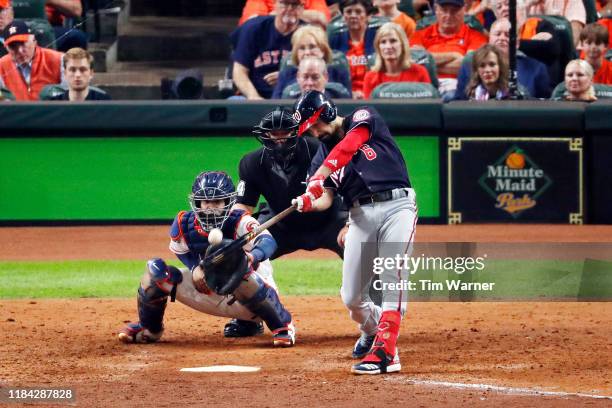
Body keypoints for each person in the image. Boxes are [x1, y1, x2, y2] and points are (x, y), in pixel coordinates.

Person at [292, 90, 418, 375]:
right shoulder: (320, 157)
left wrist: (318, 177)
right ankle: (375, 330)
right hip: (359, 215)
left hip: (397, 206)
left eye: (315, 123)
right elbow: (325, 197)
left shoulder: (364, 117)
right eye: (309, 129)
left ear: (327, 111)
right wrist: (308, 201)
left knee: (392, 274)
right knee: (351, 297)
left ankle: (386, 352)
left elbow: (349, 146)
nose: (314, 131)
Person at [118, 171, 296, 347]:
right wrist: (195, 267)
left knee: (237, 271)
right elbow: (181, 250)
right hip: (209, 291)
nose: (210, 207)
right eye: (206, 201)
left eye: (217, 201)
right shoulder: (185, 224)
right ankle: (149, 329)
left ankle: (282, 326)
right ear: (197, 203)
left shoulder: (240, 222)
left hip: (254, 300)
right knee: (155, 272)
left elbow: (268, 242)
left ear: (228, 202)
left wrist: (252, 256)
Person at [226, 106, 349, 337]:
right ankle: (249, 317)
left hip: (329, 220)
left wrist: (349, 222)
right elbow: (243, 208)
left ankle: (376, 316)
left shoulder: (319, 149)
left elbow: (343, 187)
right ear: (264, 135)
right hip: (281, 225)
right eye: (274, 133)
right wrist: (232, 238)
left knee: (359, 242)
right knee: (243, 249)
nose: (279, 137)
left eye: (285, 131)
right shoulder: (250, 163)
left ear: (297, 131)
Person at [454, 18, 551, 99]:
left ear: (517, 43)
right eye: (497, 34)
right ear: (489, 39)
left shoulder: (537, 68)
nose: (502, 38)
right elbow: (458, 103)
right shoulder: (469, 66)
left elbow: (544, 107)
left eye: (508, 35)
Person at [410, 0, 487, 96]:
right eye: (444, 10)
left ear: (463, 11)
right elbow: (413, 61)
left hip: (458, 85)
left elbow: (469, 66)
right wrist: (454, 55)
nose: (448, 15)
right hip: (425, 83)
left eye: (454, 11)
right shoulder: (419, 35)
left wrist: (428, 63)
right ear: (436, 10)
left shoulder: (476, 37)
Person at [232, 0, 303, 99]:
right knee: (234, 101)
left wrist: (286, 77)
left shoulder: (307, 33)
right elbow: (239, 71)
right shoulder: (254, 28)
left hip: (292, 98)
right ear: (275, 5)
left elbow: (318, 72)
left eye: (295, 5)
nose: (290, 9)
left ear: (302, 8)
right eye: (285, 4)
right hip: (253, 95)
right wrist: (254, 97)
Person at [272, 24, 351, 98]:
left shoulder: (337, 69)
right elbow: (275, 104)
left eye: (312, 47)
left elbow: (347, 102)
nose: (307, 52)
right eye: (302, 48)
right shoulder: (287, 71)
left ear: (323, 50)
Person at [362, 22, 431, 99]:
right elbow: (369, 109)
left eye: (393, 41)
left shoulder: (420, 72)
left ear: (402, 44)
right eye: (383, 42)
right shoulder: (370, 77)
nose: (388, 46)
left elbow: (428, 106)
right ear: (378, 47)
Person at [0, 20, 63, 101]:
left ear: (34, 41)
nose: (20, 50)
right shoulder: (1, 66)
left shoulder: (58, 60)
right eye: (13, 46)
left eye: (23, 43)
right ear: (6, 49)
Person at [329, 0, 378, 99]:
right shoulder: (335, 40)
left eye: (358, 12)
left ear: (368, 16)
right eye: (348, 12)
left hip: (372, 95)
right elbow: (331, 73)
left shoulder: (377, 38)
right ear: (343, 16)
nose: (353, 15)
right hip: (343, 96)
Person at [239, 0, 330, 27]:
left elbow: (322, 18)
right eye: (284, 4)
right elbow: (251, 23)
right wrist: (302, 15)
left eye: (294, 4)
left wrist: (274, 15)